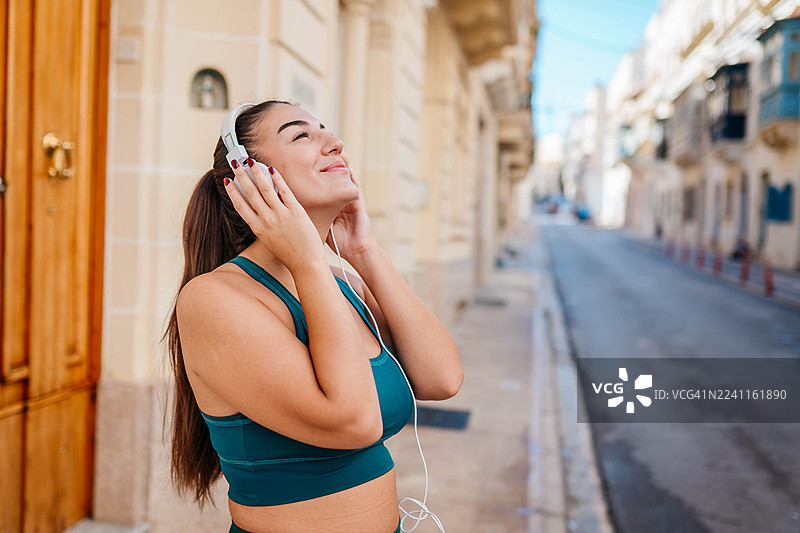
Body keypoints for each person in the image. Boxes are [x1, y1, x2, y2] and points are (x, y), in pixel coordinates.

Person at [164, 100, 463, 533]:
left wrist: (365, 253)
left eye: (326, 130)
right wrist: (306, 258)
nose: (334, 143)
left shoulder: (343, 281)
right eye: (301, 135)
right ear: (249, 177)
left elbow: (443, 378)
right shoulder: (212, 299)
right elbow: (355, 422)